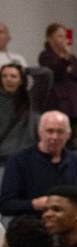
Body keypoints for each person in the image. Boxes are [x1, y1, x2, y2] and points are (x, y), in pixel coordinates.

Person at [0, 110, 77, 220]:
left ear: (69, 135)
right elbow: (6, 205)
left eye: (60, 132)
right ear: (40, 132)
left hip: (68, 227)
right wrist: (34, 204)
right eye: (50, 131)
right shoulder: (19, 160)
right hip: (32, 227)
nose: (54, 137)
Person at [38, 23, 77, 151]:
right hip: (58, 107)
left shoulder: (72, 57)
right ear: (50, 38)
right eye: (60, 36)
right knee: (56, 147)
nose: (64, 39)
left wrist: (69, 68)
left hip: (75, 108)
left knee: (73, 147)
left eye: (65, 36)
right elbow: (57, 73)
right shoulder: (45, 56)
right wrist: (65, 61)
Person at [1, 63, 37, 193]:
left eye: (13, 76)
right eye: (4, 76)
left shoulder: (31, 99)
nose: (8, 79)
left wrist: (25, 69)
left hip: (26, 160)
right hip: (3, 160)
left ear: (21, 80)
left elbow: (46, 75)